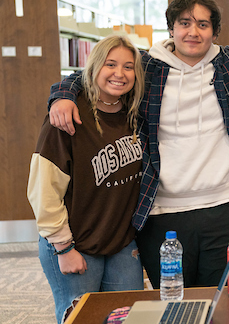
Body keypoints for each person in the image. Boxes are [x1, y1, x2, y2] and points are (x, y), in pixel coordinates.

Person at [47, 0, 229, 289]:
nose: (193, 31)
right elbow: (92, 74)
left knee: (224, 303)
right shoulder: (147, 67)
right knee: (173, 304)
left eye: (203, 24)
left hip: (225, 208)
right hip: (161, 213)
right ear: (171, 28)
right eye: (185, 23)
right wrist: (62, 95)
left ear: (214, 32)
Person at [27, 35, 145, 323]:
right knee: (82, 319)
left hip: (120, 242)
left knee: (129, 318)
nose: (120, 73)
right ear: (93, 67)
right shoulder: (67, 115)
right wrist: (64, 247)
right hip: (73, 242)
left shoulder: (135, 114)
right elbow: (44, 191)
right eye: (111, 64)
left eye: (129, 67)